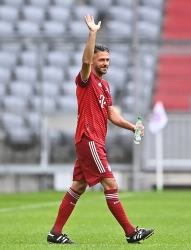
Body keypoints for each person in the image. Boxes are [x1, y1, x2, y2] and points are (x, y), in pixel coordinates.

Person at [46, 14, 155, 244]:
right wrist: (92, 33)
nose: (105, 63)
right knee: (111, 184)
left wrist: (132, 126)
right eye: (101, 60)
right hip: (89, 139)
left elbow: (112, 115)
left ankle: (55, 233)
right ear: (94, 62)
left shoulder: (105, 86)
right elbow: (85, 62)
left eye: (107, 60)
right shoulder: (85, 80)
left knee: (78, 185)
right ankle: (130, 232)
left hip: (92, 141)